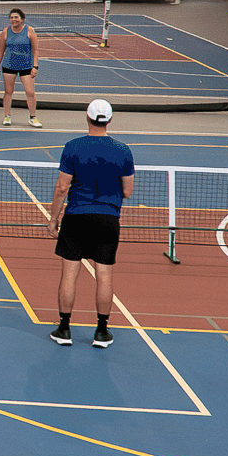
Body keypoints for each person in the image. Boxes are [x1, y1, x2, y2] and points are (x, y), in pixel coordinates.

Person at [46, 100, 133, 348]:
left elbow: (62, 187)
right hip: (108, 219)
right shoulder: (123, 150)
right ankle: (102, 332)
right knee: (104, 276)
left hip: (76, 217)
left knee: (69, 275)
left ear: (87, 117)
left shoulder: (72, 147)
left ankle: (64, 329)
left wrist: (53, 219)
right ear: (110, 120)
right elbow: (127, 191)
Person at [0, 7, 41, 127]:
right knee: (8, 91)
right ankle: (7, 116)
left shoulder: (29, 30)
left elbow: (35, 50)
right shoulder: (6, 31)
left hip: (26, 66)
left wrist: (35, 66)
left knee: (30, 92)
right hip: (9, 65)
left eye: (16, 17)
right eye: (11, 17)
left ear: (22, 19)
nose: (13, 19)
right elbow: (1, 50)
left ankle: (33, 117)